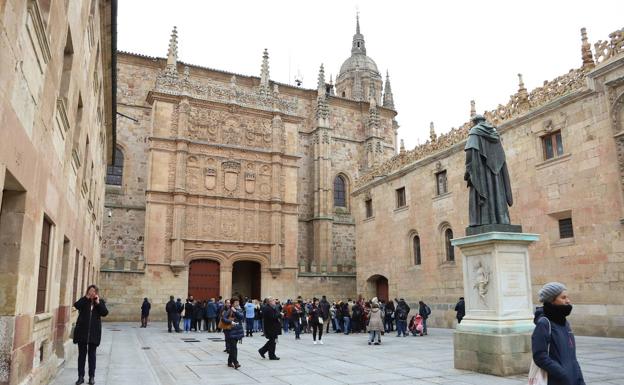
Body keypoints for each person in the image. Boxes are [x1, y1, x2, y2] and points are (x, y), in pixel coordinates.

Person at [532, 282, 585, 385]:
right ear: (552, 300)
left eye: (568, 297)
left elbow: (572, 356)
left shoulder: (565, 323)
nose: (568, 301)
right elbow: (539, 356)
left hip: (572, 379)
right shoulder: (544, 323)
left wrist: (580, 379)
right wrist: (562, 374)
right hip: (556, 380)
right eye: (563, 298)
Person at [73, 285, 108, 385]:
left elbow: (105, 313)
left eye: (93, 291)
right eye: (90, 291)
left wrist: (97, 303)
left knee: (92, 356)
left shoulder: (100, 302)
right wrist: (86, 298)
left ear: (96, 293)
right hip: (82, 333)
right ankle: (80, 377)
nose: (91, 293)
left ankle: (91, 377)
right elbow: (76, 305)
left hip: (94, 334)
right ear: (87, 291)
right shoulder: (84, 301)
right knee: (81, 356)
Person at [222, 298, 244, 369]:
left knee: (232, 348)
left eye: (238, 302)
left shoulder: (239, 309)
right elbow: (223, 318)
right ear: (232, 303)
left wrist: (236, 311)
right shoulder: (229, 310)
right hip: (230, 331)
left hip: (238, 331)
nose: (237, 303)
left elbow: (241, 317)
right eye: (235, 302)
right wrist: (230, 322)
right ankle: (236, 362)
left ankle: (229, 362)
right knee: (234, 347)